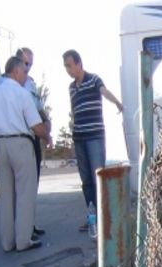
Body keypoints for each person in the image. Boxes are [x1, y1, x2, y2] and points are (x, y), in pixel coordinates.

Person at [0, 56, 51, 252]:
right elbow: (34, 124)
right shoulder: (21, 94)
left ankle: (7, 242)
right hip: (21, 143)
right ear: (15, 72)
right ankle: (23, 240)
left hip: (1, 145)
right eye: (24, 72)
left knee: (5, 195)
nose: (25, 76)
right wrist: (46, 136)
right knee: (25, 192)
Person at [63, 49, 123, 231]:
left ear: (79, 63)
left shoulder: (94, 80)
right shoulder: (72, 88)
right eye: (65, 66)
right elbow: (74, 111)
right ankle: (92, 217)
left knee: (98, 177)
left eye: (69, 65)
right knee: (86, 180)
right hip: (79, 137)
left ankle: (105, 218)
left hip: (94, 137)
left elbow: (104, 92)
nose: (68, 70)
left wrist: (117, 103)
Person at [16, 47, 50, 236]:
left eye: (31, 64)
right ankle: (21, 228)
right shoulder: (8, 84)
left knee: (32, 183)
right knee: (19, 186)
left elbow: (38, 107)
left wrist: (46, 122)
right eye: (26, 63)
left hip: (33, 136)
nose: (28, 68)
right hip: (19, 136)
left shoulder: (30, 84)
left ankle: (30, 224)